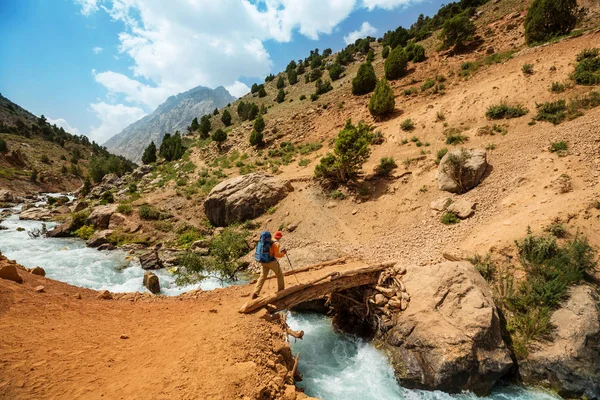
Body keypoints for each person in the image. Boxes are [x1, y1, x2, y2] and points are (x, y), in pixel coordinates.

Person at [252, 230, 287, 299]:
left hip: (263, 261)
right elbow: (276, 254)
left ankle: (255, 293)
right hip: (271, 262)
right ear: (279, 237)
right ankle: (281, 291)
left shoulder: (267, 241)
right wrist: (283, 253)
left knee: (262, 277)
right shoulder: (276, 244)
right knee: (279, 274)